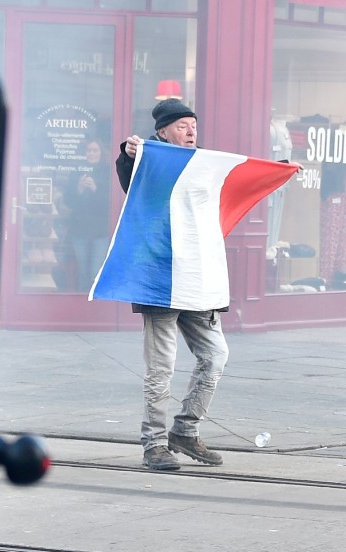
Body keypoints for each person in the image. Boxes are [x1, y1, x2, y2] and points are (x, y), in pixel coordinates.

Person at [114, 99, 228, 472]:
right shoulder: (150, 159)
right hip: (161, 280)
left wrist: (275, 171)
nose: (191, 131)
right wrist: (131, 154)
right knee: (161, 368)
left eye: (193, 125)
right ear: (162, 132)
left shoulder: (201, 164)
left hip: (196, 279)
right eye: (182, 126)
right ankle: (154, 444)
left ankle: (186, 430)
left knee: (215, 355)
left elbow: (236, 178)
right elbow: (131, 174)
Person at [61, 138, 112, 291]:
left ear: (101, 153)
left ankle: (96, 307)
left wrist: (95, 189)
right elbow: (69, 201)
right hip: (79, 229)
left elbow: (111, 203)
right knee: (83, 272)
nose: (91, 153)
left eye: (95, 150)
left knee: (96, 272)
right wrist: (79, 189)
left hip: (101, 231)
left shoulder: (108, 172)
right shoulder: (76, 172)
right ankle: (82, 308)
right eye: (88, 150)